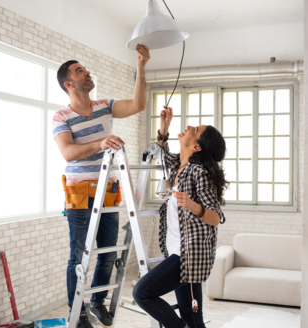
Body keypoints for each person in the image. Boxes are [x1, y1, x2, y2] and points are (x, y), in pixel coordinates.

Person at [53, 44, 151, 328]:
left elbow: (138, 105)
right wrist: (100, 143)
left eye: (86, 69)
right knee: (78, 255)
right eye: (80, 71)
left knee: (108, 251)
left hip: (107, 191)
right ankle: (78, 311)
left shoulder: (105, 106)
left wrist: (141, 68)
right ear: (69, 84)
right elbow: (69, 153)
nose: (87, 73)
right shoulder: (61, 117)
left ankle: (98, 301)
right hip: (80, 191)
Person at [132, 106, 228, 328]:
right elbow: (161, 152)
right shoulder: (178, 166)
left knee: (142, 293)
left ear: (196, 146)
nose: (187, 127)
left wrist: (193, 206)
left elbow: (216, 218)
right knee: (193, 320)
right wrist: (164, 127)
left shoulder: (199, 173)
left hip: (189, 255)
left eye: (194, 129)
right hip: (177, 251)